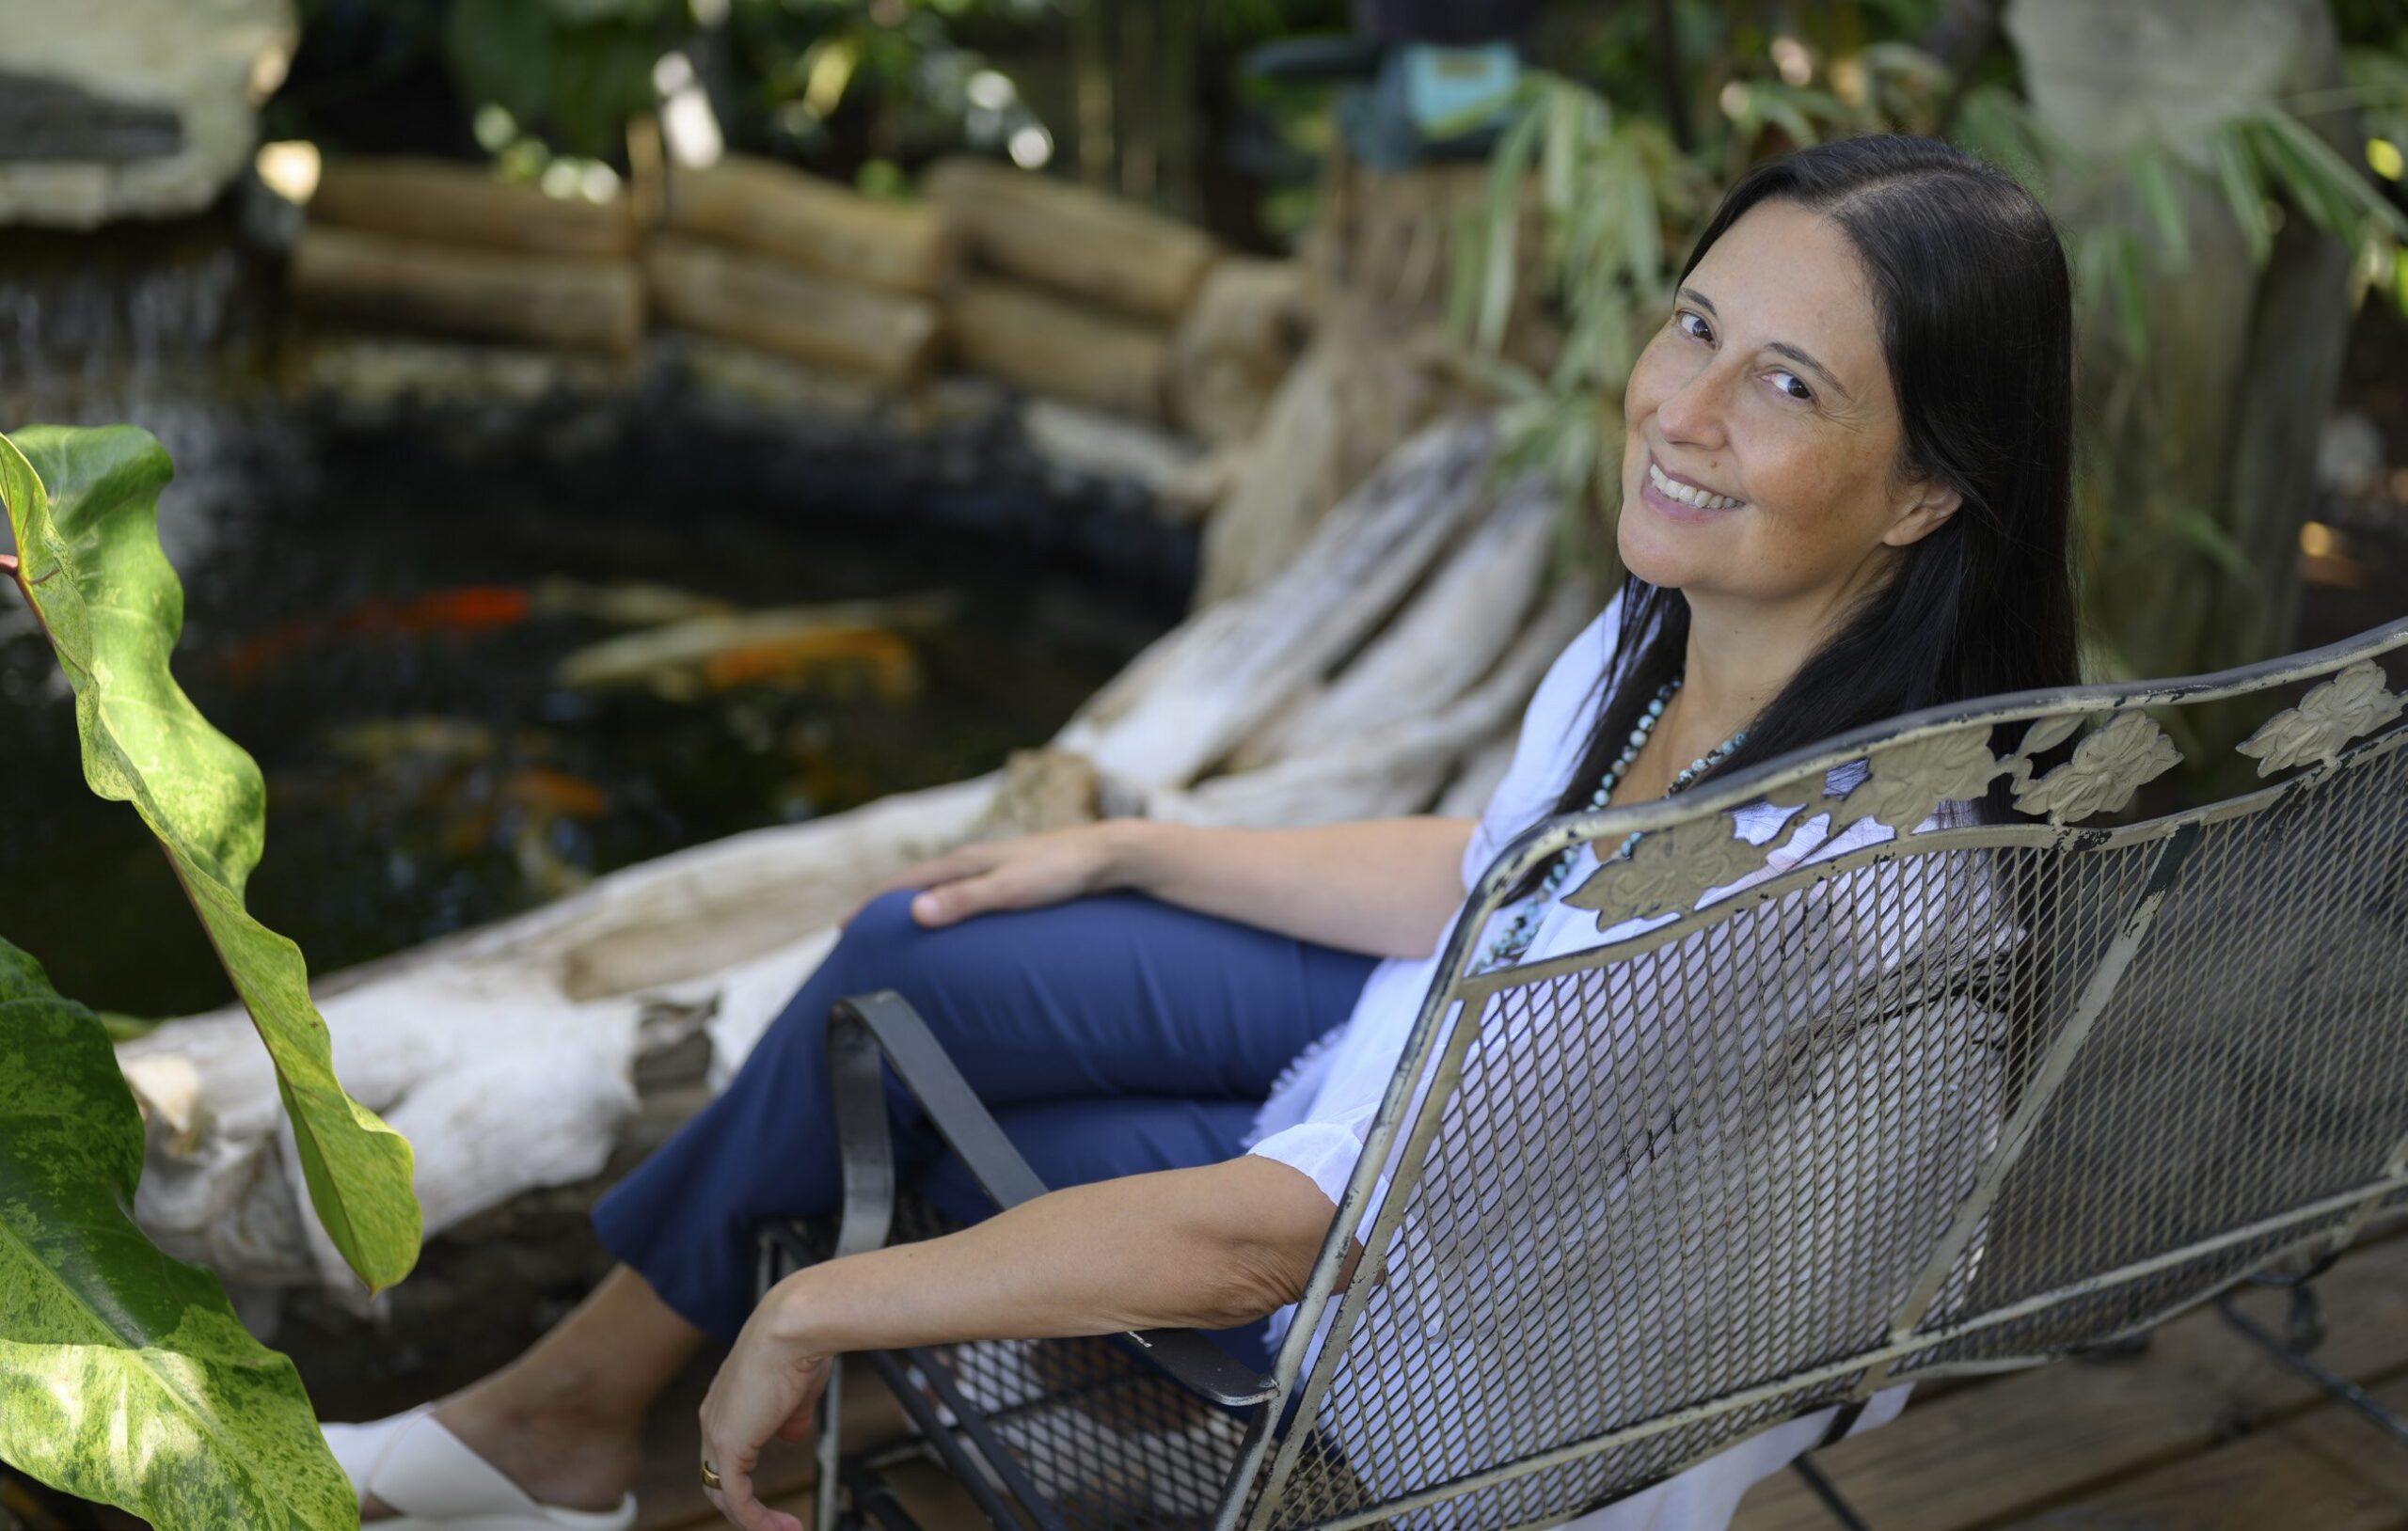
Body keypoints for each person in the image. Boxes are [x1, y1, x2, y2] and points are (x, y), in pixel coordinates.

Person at [322, 132, 2078, 1531]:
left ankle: (569, 1423)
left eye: (1787, 386)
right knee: (919, 946)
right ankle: (559, 1422)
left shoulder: (1799, 886)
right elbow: (1497, 872)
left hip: (1419, 1353)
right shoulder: (1682, 640)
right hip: (1392, 1091)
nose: (1681, 410)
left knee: (913, 1106)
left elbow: (1286, 1235)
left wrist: (816, 1309)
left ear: (1930, 487)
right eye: (1693, 323)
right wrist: (1134, 850)